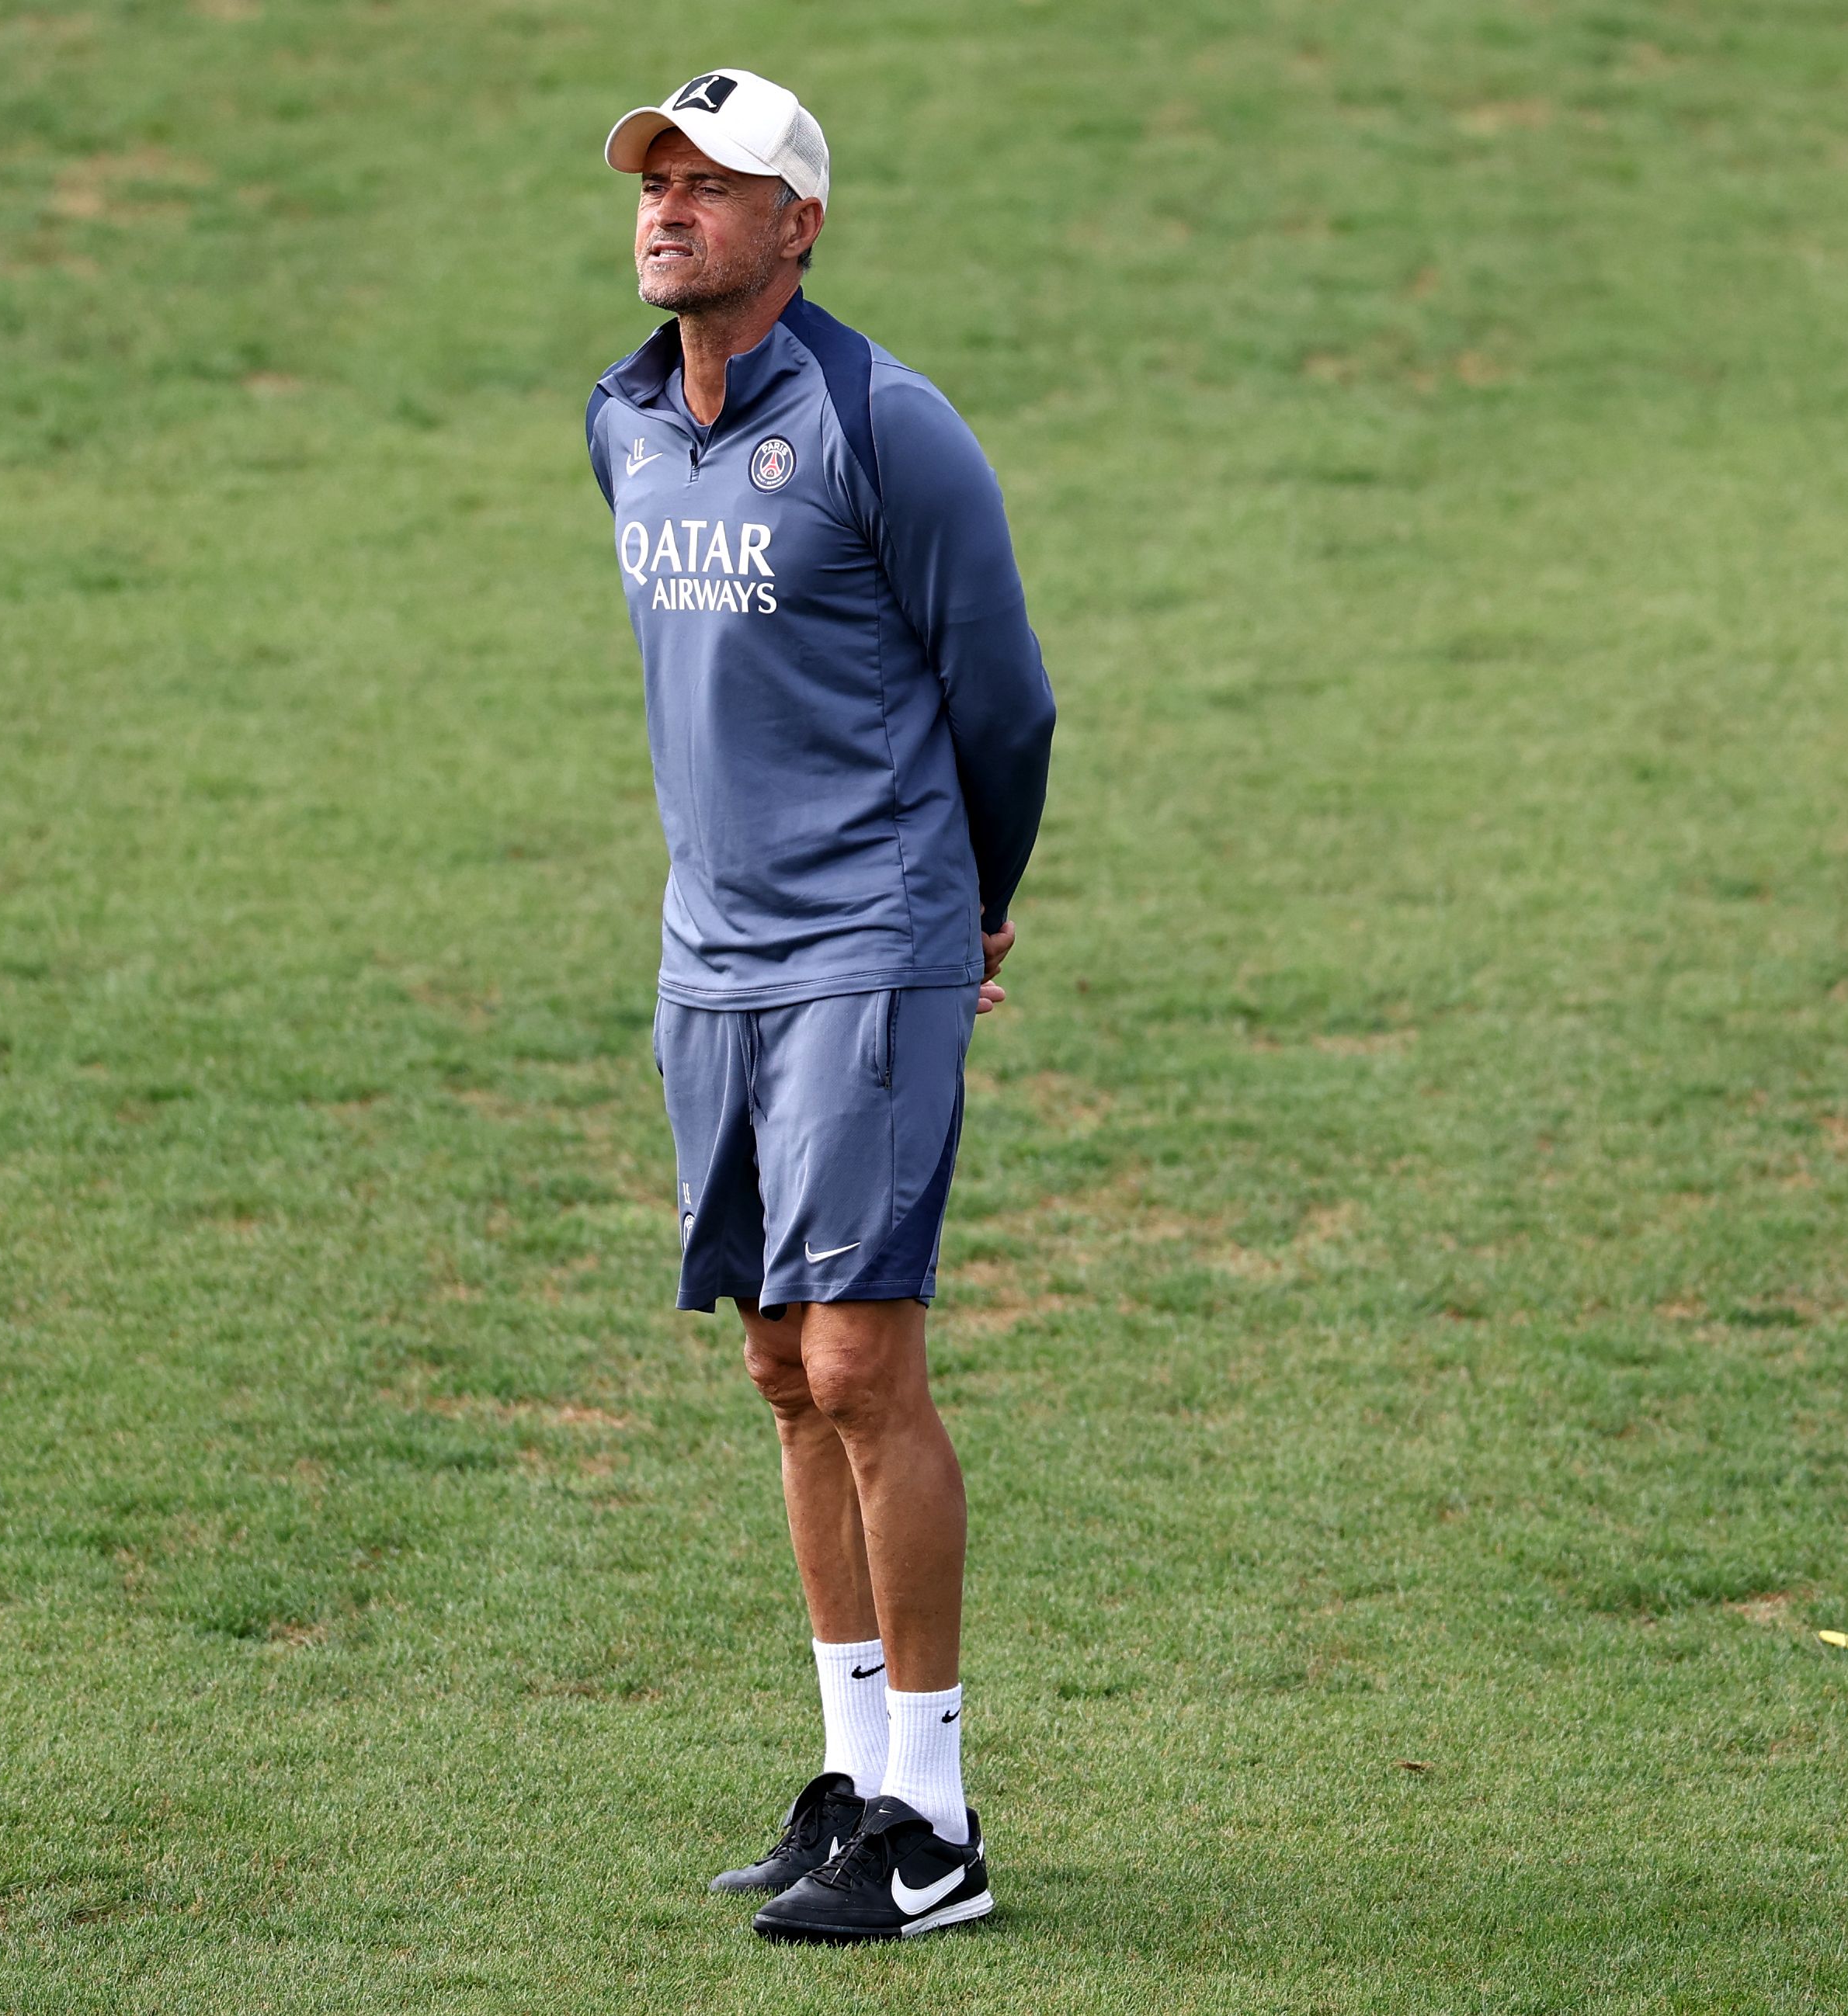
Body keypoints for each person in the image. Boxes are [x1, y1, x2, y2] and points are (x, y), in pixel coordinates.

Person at [584, 68, 1057, 1943]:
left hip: (872, 939)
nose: (669, 207)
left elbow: (1004, 701)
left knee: (863, 1363)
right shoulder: (623, 421)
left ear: (799, 226)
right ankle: (854, 1783)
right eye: (655, 179)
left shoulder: (884, 424)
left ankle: (935, 1829)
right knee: (782, 1366)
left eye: (713, 184)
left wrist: (971, 909)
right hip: (711, 957)